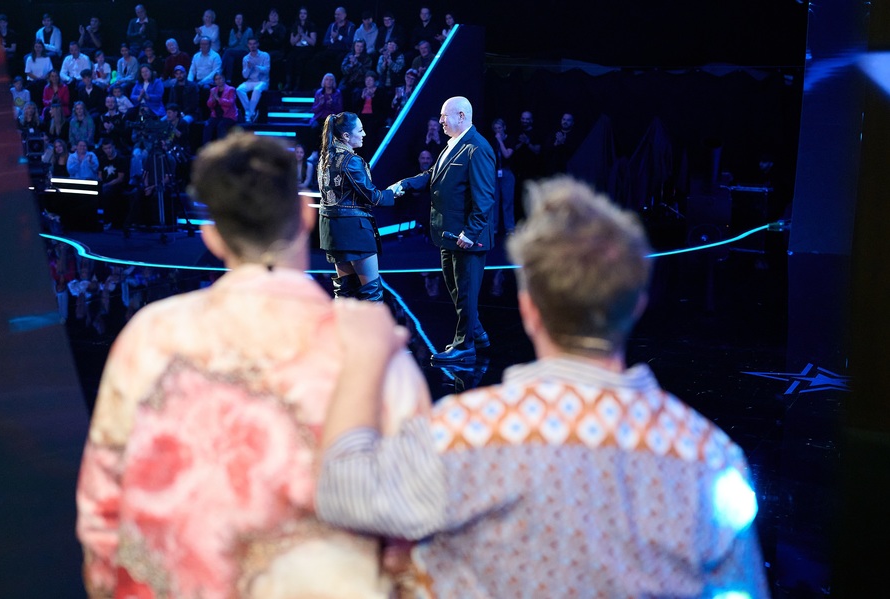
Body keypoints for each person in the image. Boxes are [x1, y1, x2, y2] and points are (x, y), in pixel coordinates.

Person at [316, 175, 770, 598]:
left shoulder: (463, 433)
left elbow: (342, 491)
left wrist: (363, 358)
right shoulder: (709, 458)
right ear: (636, 306)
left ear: (528, 307)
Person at [76, 132, 430, 598]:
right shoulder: (376, 352)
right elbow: (415, 534)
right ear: (306, 215)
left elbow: (103, 505)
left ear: (211, 235)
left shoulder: (149, 338)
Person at [391, 96, 495, 364]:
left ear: (461, 116)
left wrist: (471, 233)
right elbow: (433, 175)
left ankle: (464, 347)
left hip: (466, 237)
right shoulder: (453, 145)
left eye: (444, 116)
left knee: (465, 291)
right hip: (448, 234)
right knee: (457, 289)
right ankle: (477, 334)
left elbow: (484, 198)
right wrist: (406, 184)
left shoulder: (477, 148)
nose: (440, 121)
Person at [318, 112, 395, 301]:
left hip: (332, 232)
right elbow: (372, 197)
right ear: (346, 135)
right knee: (371, 293)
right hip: (354, 231)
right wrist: (392, 193)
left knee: (345, 293)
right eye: (360, 130)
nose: (364, 134)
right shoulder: (351, 160)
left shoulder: (325, 158)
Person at [490, 118, 516, 235]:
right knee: (494, 201)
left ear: (504, 128)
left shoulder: (510, 139)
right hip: (494, 172)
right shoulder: (492, 141)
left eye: (499, 128)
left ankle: (509, 227)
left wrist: (500, 141)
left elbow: (507, 154)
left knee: (508, 201)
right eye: (495, 128)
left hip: (507, 171)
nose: (498, 131)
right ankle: (494, 227)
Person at [237, 37, 269, 123]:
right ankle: (251, 112)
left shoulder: (265, 55)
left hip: (263, 81)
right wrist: (248, 68)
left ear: (258, 44)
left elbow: (266, 70)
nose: (252, 46)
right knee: (239, 89)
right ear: (248, 45)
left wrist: (255, 66)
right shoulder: (246, 58)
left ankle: (248, 114)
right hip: (250, 81)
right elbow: (245, 76)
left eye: (254, 43)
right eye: (250, 44)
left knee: (257, 89)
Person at [203, 73, 238, 144]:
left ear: (224, 79)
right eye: (216, 79)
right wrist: (213, 100)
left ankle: (221, 148)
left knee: (221, 126)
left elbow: (230, 103)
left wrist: (218, 99)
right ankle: (206, 147)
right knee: (207, 125)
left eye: (220, 78)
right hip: (216, 115)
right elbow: (209, 105)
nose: (218, 81)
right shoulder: (213, 90)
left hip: (229, 116)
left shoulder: (231, 89)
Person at [223, 13, 253, 84]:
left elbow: (250, 44)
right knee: (230, 58)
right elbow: (230, 44)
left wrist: (241, 38)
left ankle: (220, 69)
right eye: (236, 18)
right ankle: (228, 79)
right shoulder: (233, 30)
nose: (238, 20)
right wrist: (237, 39)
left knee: (227, 51)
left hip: (244, 51)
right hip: (234, 51)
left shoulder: (249, 30)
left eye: (240, 19)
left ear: (243, 20)